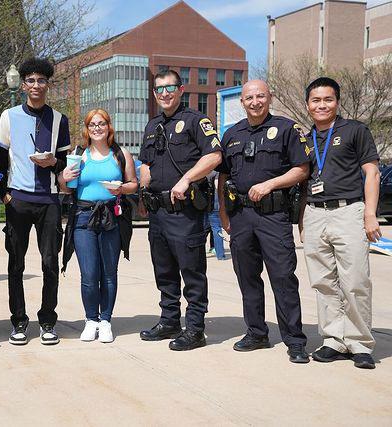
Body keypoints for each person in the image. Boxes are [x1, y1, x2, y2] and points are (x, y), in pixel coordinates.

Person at [217, 80, 310, 364]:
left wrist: (270, 185)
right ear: (242, 102)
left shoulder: (286, 129)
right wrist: (222, 213)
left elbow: (301, 169)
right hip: (241, 216)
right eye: (249, 97)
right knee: (247, 277)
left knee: (282, 277)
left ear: (269, 97)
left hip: (273, 215)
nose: (255, 101)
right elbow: (223, 176)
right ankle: (256, 333)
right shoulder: (232, 134)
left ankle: (294, 339)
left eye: (260, 96)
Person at [138, 69, 222, 351]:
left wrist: (186, 179)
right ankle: (169, 321)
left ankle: (196, 329)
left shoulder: (196, 121)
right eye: (159, 89)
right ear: (154, 94)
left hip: (185, 212)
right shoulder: (152, 126)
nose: (164, 93)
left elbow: (214, 155)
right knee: (164, 271)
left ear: (181, 89)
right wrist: (140, 189)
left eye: (169, 88)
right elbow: (146, 165)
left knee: (192, 272)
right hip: (158, 212)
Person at [300, 77, 381, 369]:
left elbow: (372, 173)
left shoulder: (355, 130)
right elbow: (303, 182)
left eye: (328, 99)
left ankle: (359, 342)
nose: (322, 105)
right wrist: (302, 220)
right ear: (308, 105)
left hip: (348, 211)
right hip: (314, 213)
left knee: (356, 280)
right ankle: (333, 339)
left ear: (337, 102)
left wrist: (369, 214)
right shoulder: (305, 138)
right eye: (316, 100)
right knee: (323, 281)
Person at [0, 57, 71, 345]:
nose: (36, 85)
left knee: (50, 263)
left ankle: (48, 321)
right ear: (23, 84)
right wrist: (4, 193)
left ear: (47, 85)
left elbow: (63, 161)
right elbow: (1, 160)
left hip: (49, 200)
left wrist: (54, 163)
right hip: (18, 199)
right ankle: (18, 321)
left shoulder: (59, 119)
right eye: (30, 80)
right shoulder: (8, 116)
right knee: (16, 264)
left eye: (41, 80)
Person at [59, 109, 138, 343]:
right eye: (92, 124)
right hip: (83, 216)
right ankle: (90, 319)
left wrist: (121, 189)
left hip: (111, 215)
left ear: (108, 126)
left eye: (101, 123)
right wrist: (64, 176)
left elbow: (133, 184)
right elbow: (66, 188)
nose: (97, 128)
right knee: (90, 273)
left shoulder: (120, 154)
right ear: (87, 128)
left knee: (109, 273)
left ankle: (105, 320)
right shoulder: (79, 154)